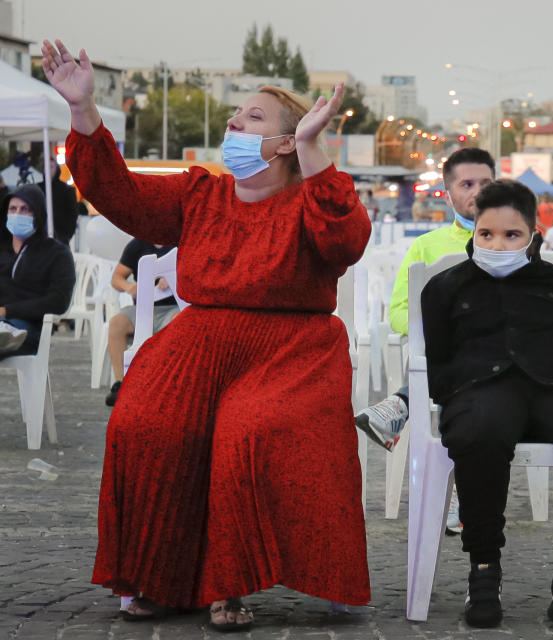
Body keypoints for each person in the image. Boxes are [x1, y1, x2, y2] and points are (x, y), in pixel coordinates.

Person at [44, 39, 371, 632]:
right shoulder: (201, 192)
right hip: (200, 339)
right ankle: (162, 577)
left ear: (284, 141)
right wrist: (83, 109)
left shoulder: (312, 197)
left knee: (247, 430)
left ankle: (230, 585)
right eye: (235, 114)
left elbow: (346, 240)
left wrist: (315, 149)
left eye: (251, 116)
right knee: (148, 423)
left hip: (292, 349)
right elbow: (118, 193)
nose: (233, 122)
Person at [421, 179, 553, 629]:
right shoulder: (445, 287)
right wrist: (478, 382)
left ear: (534, 235)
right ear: (472, 232)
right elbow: (437, 368)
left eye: (511, 235)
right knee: (479, 430)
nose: (498, 244)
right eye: (487, 234)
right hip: (480, 393)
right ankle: (483, 569)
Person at [354, 147, 495, 451]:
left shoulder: (521, 241)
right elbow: (399, 311)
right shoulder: (427, 246)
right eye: (467, 185)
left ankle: (402, 402)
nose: (479, 192)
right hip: (454, 365)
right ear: (447, 197)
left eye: (486, 184)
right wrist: (437, 327)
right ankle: (458, 482)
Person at [0, 184, 76, 357]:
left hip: (30, 328)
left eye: (25, 209)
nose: (17, 214)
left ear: (38, 214)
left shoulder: (56, 253)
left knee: (12, 333)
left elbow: (58, 301)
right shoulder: (3, 250)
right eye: (12, 209)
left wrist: (7, 310)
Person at [103, 238, 179, 407]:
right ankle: (120, 383)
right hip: (142, 310)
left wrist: (173, 277)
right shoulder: (137, 245)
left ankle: (163, 385)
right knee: (116, 323)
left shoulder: (179, 242)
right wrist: (129, 286)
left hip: (172, 308)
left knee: (177, 324)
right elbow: (116, 278)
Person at [40, 155, 82, 244]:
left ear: (56, 168)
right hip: (40, 237)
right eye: (46, 167)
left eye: (51, 167)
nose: (48, 170)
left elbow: (73, 214)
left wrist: (67, 235)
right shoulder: (38, 189)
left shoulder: (67, 190)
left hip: (61, 237)